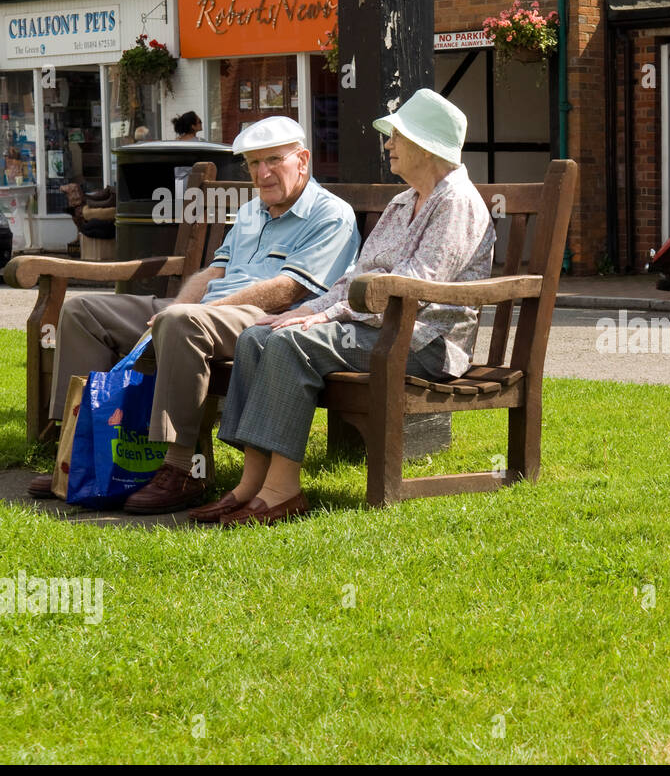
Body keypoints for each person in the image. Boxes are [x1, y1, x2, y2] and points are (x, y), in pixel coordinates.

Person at [28, 116, 361, 513]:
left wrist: (195, 312)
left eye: (274, 160)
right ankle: (77, 457)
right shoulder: (254, 211)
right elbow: (212, 272)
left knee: (182, 322)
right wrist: (178, 305)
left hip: (265, 322)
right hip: (203, 312)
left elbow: (289, 290)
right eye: (254, 164)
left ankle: (182, 468)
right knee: (84, 311)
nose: (262, 173)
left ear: (303, 160)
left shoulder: (331, 216)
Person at [191, 90, 493, 526]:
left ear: (426, 146)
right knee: (259, 334)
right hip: (380, 328)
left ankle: (282, 491)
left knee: (292, 345)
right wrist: (305, 310)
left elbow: (416, 286)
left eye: (398, 137)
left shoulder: (456, 201)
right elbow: (356, 279)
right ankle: (250, 484)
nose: (389, 144)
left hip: (425, 341)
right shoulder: (403, 200)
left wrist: (327, 316)